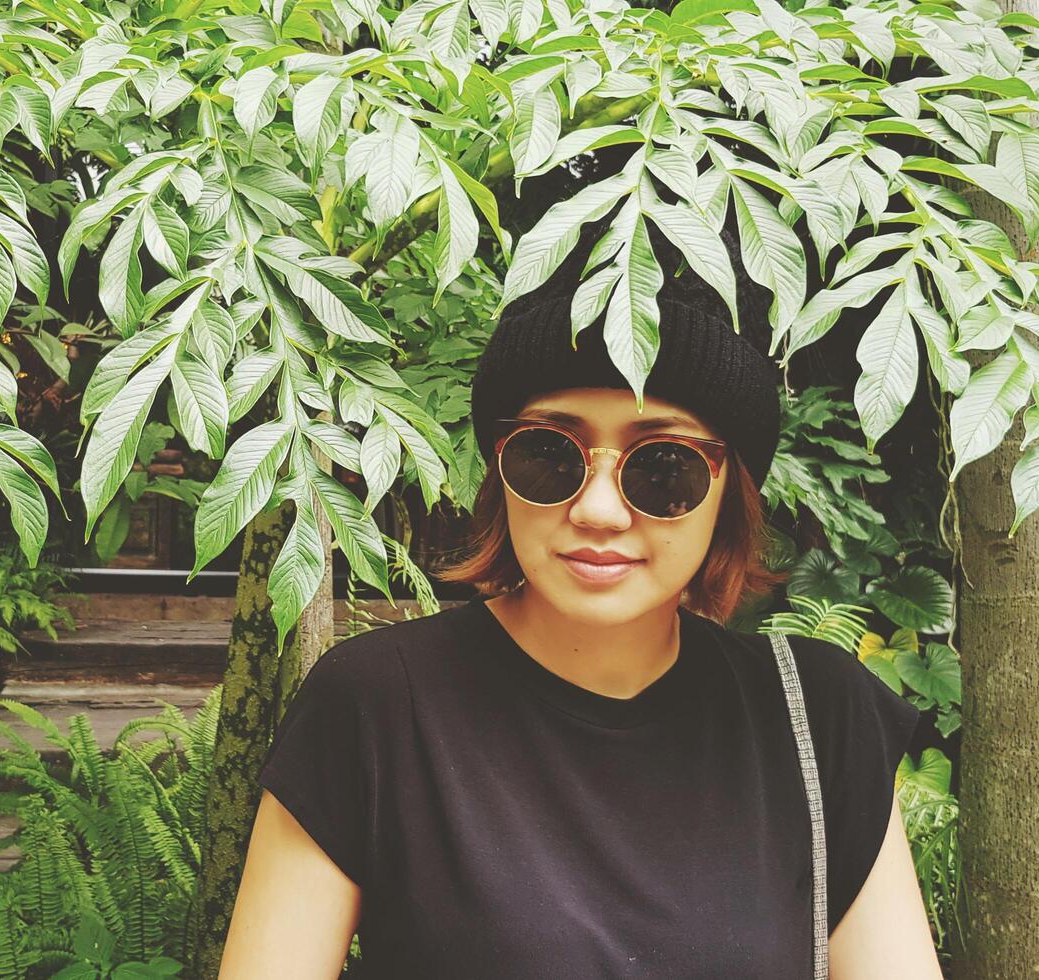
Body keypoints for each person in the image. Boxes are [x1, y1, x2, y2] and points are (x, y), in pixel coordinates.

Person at [220, 218, 942, 979]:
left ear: (730, 488)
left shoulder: (816, 716)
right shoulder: (375, 707)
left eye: (663, 466)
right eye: (548, 454)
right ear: (500, 469)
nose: (598, 510)